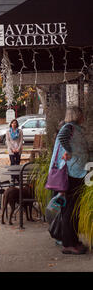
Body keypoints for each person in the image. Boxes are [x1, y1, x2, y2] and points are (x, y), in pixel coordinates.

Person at [49, 106, 89, 255]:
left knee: (73, 209)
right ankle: (69, 243)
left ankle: (73, 240)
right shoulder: (68, 127)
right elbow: (62, 138)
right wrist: (69, 152)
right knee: (70, 209)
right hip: (71, 173)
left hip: (77, 171)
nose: (83, 116)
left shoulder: (75, 128)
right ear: (77, 115)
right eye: (82, 114)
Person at [5, 119, 23, 183]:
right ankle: (13, 177)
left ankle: (17, 177)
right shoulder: (8, 132)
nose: (14, 124)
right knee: (12, 163)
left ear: (17, 124)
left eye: (15, 123)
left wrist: (18, 148)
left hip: (18, 149)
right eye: (12, 123)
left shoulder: (20, 131)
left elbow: (21, 140)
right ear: (11, 124)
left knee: (17, 163)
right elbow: (8, 141)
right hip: (11, 150)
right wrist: (12, 149)